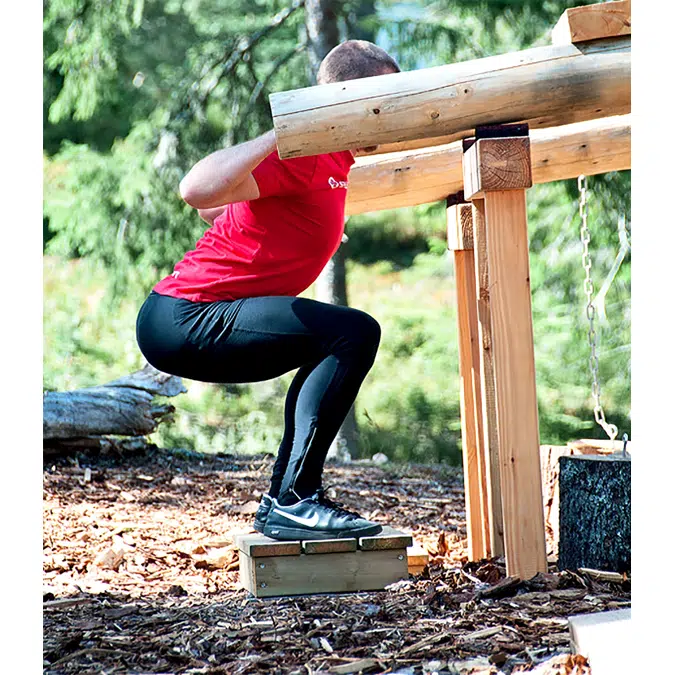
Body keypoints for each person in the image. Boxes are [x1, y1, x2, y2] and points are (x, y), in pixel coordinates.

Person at [136, 40, 400, 541]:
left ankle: (289, 500)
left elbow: (213, 211)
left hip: (200, 316)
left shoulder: (335, 164)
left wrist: (295, 231)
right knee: (351, 334)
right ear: (347, 99)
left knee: (335, 340)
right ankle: (294, 499)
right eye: (381, 101)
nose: (387, 117)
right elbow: (196, 190)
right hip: (182, 316)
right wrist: (287, 131)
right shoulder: (304, 152)